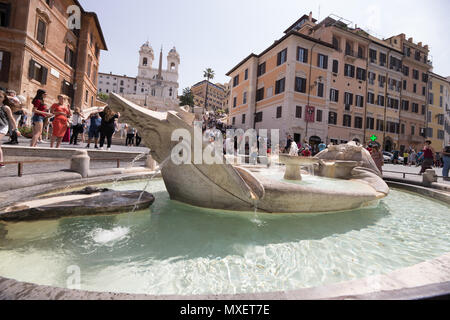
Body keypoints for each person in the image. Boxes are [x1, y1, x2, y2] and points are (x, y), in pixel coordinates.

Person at [0, 91, 21, 169]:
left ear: (3, 98)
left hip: (3, 127)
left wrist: (16, 129)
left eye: (0, 97)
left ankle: (1, 162)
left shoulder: (6, 107)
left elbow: (12, 118)